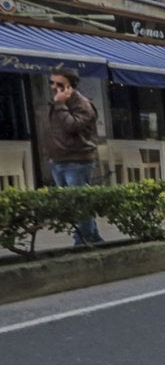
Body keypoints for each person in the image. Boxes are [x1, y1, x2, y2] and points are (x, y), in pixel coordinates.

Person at [44, 69, 102, 245]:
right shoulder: (58, 102)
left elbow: (71, 126)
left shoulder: (82, 104)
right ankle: (92, 237)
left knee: (78, 203)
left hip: (77, 160)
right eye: (51, 82)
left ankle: (82, 240)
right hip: (59, 159)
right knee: (74, 203)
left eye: (59, 84)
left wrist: (60, 105)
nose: (54, 87)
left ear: (70, 85)